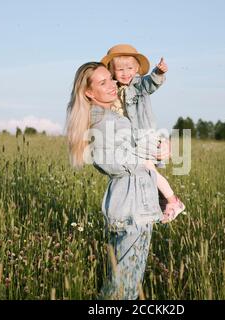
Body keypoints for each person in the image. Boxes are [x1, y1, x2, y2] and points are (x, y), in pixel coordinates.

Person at [65, 62, 167, 299]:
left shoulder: (107, 116)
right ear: (89, 92)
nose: (113, 85)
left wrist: (156, 148)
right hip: (132, 211)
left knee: (122, 285)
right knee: (123, 291)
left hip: (129, 206)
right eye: (103, 83)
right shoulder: (106, 121)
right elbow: (126, 159)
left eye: (110, 79)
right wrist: (158, 148)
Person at [101, 44, 185, 223]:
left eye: (130, 68)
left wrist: (159, 72)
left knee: (148, 169)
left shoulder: (139, 85)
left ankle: (173, 201)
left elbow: (151, 82)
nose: (126, 73)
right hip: (129, 140)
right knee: (146, 172)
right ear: (112, 71)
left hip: (143, 136)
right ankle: (165, 201)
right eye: (120, 69)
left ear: (137, 69)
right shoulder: (112, 89)